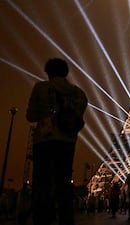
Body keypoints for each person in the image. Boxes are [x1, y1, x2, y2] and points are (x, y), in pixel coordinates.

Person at [26, 58, 87, 225]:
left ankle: (42, 219)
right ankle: (66, 219)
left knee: (42, 184)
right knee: (64, 183)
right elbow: (78, 118)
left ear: (49, 72)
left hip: (44, 141)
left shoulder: (41, 88)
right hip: (67, 142)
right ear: (66, 73)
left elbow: (30, 115)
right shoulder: (79, 93)